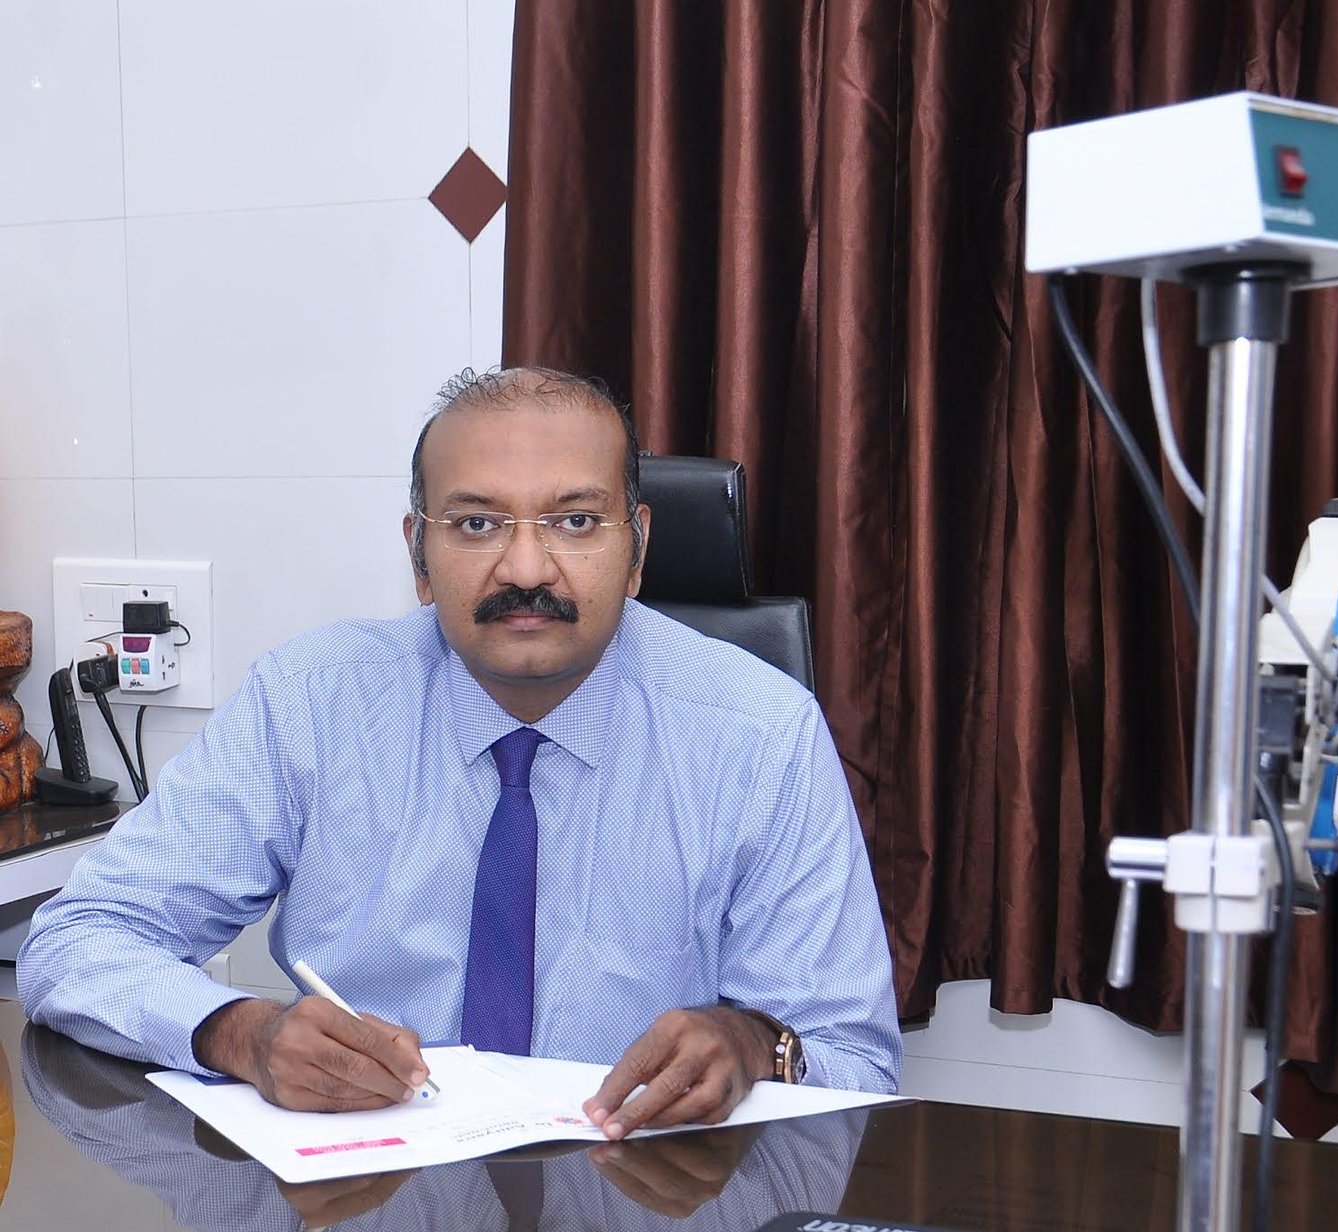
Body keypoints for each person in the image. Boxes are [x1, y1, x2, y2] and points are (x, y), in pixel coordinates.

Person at [19, 367, 900, 1134]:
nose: (526, 569)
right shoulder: (310, 703)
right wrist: (239, 1031)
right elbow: (79, 940)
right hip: (369, 1205)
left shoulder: (760, 736)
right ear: (419, 553)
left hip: (652, 1210)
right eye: (477, 524)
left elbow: (854, 1062)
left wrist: (751, 1041)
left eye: (575, 521)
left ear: (637, 550)